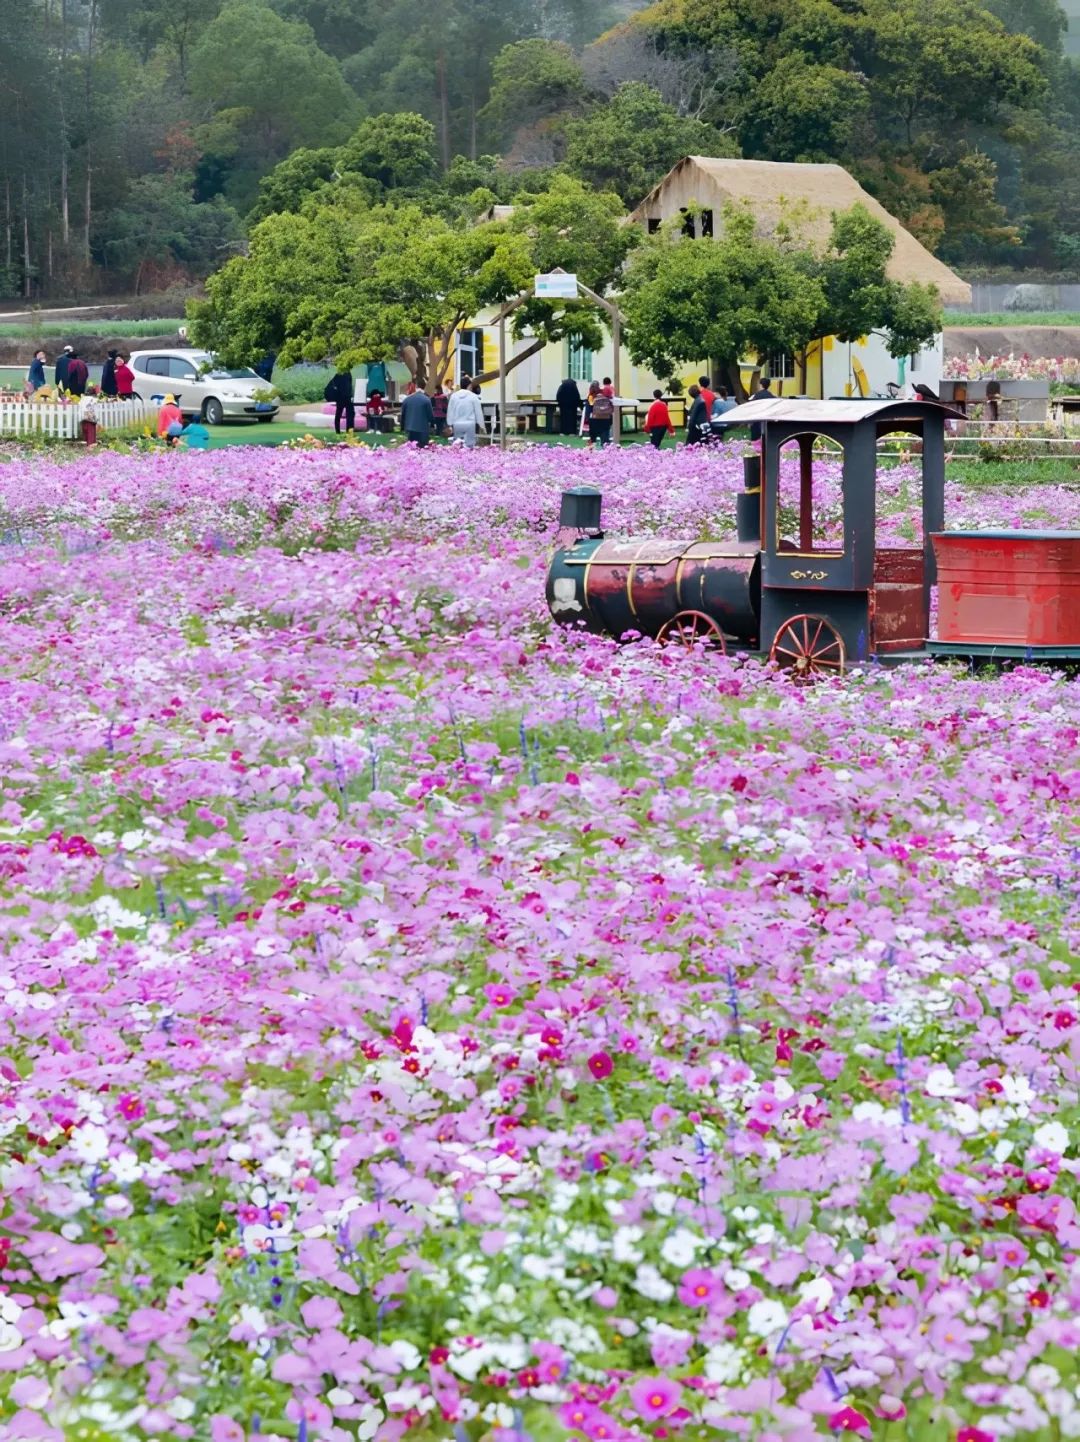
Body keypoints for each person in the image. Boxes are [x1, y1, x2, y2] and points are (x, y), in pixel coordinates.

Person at [446, 379, 485, 447]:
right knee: (469, 445)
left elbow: (450, 410)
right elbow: (478, 412)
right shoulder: (473, 396)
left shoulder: (454, 396)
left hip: (457, 423)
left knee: (458, 445)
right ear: (469, 386)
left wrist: (449, 424)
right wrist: (482, 425)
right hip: (470, 424)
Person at [324, 367, 355, 434]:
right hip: (346, 397)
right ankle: (349, 431)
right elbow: (349, 386)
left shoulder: (338, 375)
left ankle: (339, 431)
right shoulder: (347, 374)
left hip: (341, 398)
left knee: (339, 414)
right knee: (349, 414)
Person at [586, 381, 614, 447]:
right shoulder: (605, 394)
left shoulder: (591, 396)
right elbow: (611, 404)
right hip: (606, 419)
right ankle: (606, 449)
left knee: (593, 438)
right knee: (605, 437)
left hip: (594, 419)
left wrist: (588, 419)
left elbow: (589, 408)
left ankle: (593, 449)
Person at [747, 375, 774, 442]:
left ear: (760, 385)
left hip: (757, 419)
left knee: (756, 439)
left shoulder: (757, 395)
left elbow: (752, 407)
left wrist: (750, 421)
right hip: (768, 419)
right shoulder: (771, 395)